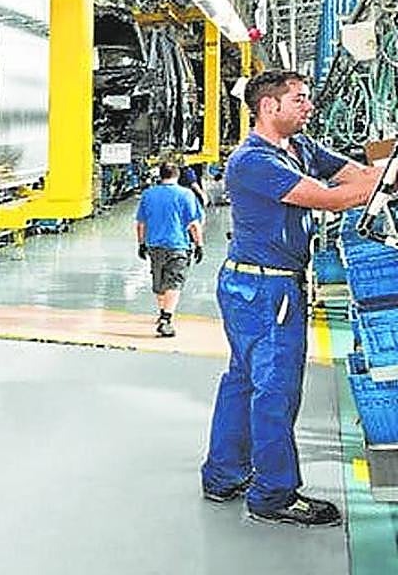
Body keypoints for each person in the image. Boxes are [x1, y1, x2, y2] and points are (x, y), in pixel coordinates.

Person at [200, 69, 380, 526]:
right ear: (268, 106)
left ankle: (223, 475)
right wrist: (381, 183)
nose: (309, 106)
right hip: (266, 288)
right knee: (274, 391)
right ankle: (274, 494)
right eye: (299, 99)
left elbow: (355, 175)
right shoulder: (252, 161)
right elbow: (332, 199)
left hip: (255, 284)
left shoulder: (299, 148)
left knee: (242, 380)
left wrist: (380, 174)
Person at [136, 162, 204, 337]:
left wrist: (141, 244)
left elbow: (141, 223)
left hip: (155, 245)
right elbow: (194, 224)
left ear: (161, 175)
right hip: (178, 245)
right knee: (174, 282)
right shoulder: (186, 194)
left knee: (159, 282)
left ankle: (163, 314)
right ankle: (166, 319)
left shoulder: (148, 194)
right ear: (178, 175)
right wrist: (199, 245)